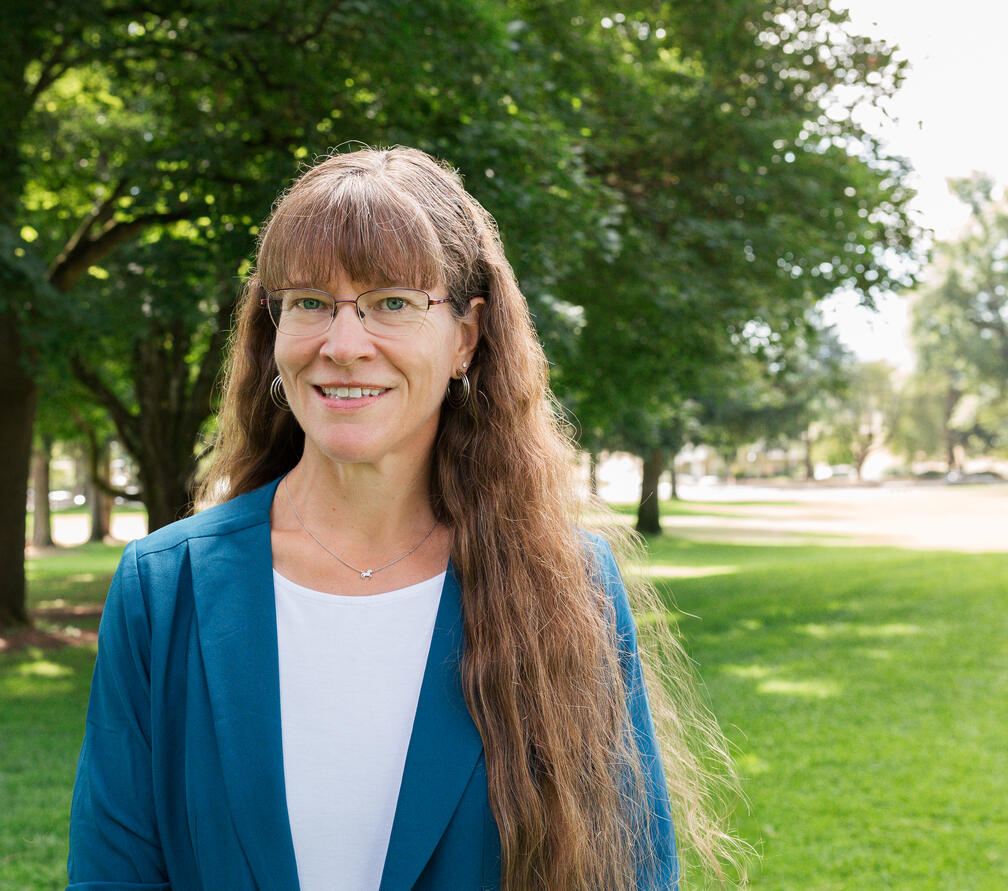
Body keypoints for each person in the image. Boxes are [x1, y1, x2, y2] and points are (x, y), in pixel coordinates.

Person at [68, 147, 740, 890]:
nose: (343, 345)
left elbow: (630, 873)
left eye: (392, 302)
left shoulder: (566, 584)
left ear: (466, 337)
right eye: (309, 302)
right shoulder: (165, 589)